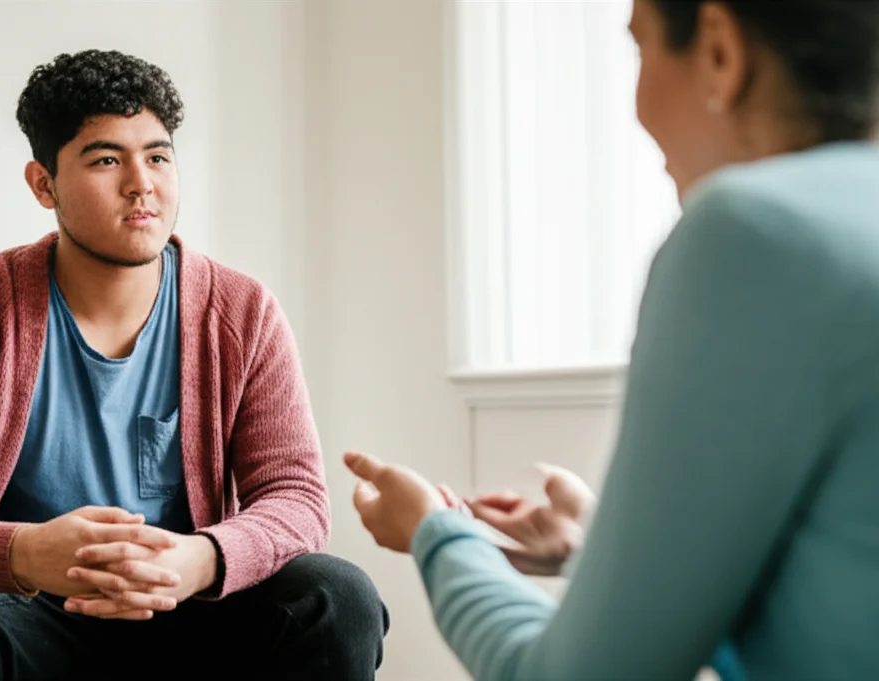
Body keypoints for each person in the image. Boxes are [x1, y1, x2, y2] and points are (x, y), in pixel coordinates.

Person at [345, 1, 879, 679]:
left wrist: (433, 530)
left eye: (640, 49)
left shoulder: (753, 234)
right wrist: (603, 548)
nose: (634, 107)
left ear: (720, 49)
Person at [0, 49, 387, 680]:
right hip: (24, 617)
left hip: (189, 611)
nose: (142, 183)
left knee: (338, 594)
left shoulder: (243, 312)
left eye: (158, 156)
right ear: (43, 183)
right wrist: (24, 552)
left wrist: (202, 558)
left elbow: (297, 500)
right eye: (107, 159)